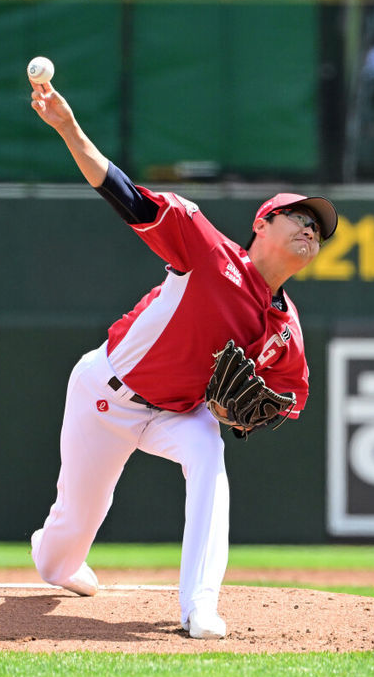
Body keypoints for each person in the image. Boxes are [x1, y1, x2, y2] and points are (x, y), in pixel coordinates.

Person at [27, 76, 337, 640]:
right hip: (107, 393)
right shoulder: (204, 247)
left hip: (180, 413)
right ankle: (54, 555)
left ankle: (199, 606)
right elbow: (124, 193)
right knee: (66, 541)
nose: (311, 231)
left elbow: (291, 395)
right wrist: (68, 128)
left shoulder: (285, 328)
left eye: (318, 231)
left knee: (209, 460)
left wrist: (247, 415)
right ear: (262, 224)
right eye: (300, 218)